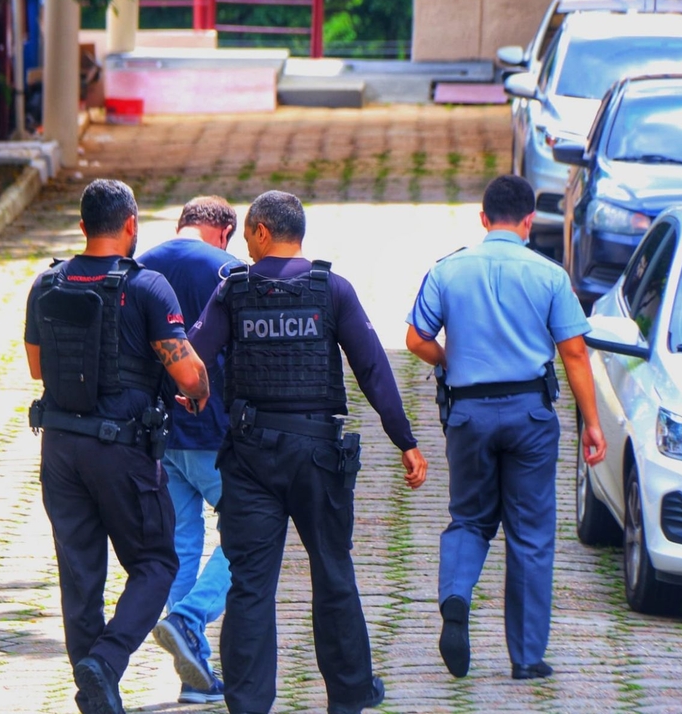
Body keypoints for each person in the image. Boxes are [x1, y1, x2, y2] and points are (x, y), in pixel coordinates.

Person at [188, 190, 428, 714]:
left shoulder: (234, 293)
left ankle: (248, 703)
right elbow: (372, 369)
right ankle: (348, 694)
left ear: (260, 231)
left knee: (250, 584)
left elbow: (192, 355)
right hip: (319, 454)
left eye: (249, 233)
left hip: (251, 456)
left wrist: (188, 392)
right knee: (333, 570)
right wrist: (404, 440)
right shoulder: (332, 290)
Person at [405, 174, 606, 681]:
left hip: (468, 414)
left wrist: (449, 359)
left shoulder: (448, 270)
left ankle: (455, 597)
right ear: (529, 221)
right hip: (530, 415)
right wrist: (592, 423)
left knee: (469, 518)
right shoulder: (549, 275)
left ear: (482, 218)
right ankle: (526, 657)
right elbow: (575, 353)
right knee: (532, 532)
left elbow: (414, 339)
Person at [23, 179, 210, 714]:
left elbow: (37, 367)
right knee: (155, 562)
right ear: (132, 224)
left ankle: (94, 694)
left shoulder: (47, 284)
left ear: (82, 227)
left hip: (59, 449)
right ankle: (105, 663)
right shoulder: (147, 287)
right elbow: (186, 371)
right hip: (121, 451)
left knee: (80, 574)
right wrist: (198, 385)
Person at [137, 196, 238, 705]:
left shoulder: (142, 265)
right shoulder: (228, 269)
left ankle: (192, 675)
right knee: (249, 533)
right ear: (223, 231)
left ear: (182, 223)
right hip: (215, 431)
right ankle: (190, 617)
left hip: (158, 434)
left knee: (180, 545)